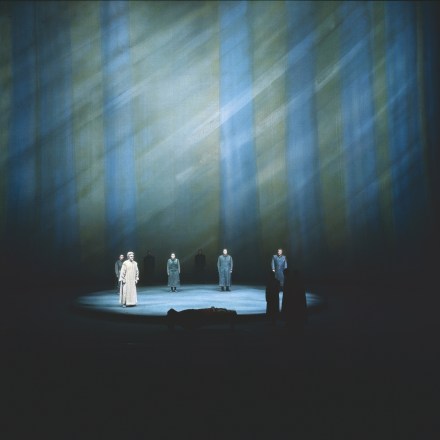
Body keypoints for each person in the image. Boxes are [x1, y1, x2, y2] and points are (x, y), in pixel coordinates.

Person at [281, 268, 307, 334]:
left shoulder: (289, 280)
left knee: (288, 309)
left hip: (289, 298)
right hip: (292, 297)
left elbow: (290, 290)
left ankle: (290, 322)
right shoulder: (294, 280)